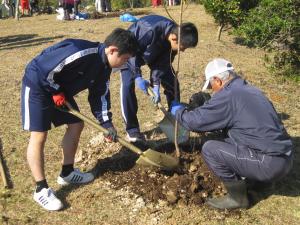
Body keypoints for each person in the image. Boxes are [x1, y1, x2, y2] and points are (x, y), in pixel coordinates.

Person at [21, 28, 139, 211]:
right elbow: (43, 68)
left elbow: (100, 96)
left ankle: (67, 172)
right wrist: (55, 91)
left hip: (59, 90)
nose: (124, 63)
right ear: (112, 50)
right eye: (124, 59)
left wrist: (107, 124)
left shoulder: (104, 68)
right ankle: (41, 189)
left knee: (76, 124)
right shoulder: (79, 51)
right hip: (38, 85)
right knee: (39, 136)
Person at [171, 58, 294, 209]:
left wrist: (179, 112)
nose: (212, 90)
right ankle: (259, 180)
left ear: (218, 80)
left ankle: (238, 198)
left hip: (269, 164)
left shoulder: (229, 96)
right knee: (227, 137)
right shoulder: (250, 90)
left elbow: (194, 122)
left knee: (210, 149)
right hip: (285, 158)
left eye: (211, 85)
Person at [120, 15, 198, 142]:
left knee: (172, 81)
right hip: (129, 52)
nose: (182, 51)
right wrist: (138, 76)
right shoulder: (149, 30)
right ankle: (132, 131)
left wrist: (155, 85)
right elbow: (132, 52)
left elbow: (162, 64)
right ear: (174, 39)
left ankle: (174, 114)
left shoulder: (173, 38)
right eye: (182, 47)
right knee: (127, 86)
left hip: (154, 53)